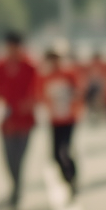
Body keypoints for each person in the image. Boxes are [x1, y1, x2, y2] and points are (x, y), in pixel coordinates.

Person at [0, 31, 39, 208]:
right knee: (8, 158)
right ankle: (15, 185)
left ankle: (17, 188)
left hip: (25, 121)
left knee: (20, 157)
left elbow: (37, 89)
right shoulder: (0, 66)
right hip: (6, 121)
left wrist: (30, 102)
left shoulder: (30, 66)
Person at [41, 45, 83, 193]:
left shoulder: (68, 74)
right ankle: (67, 178)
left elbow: (78, 92)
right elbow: (41, 96)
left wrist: (71, 101)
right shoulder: (45, 77)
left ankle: (73, 178)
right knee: (55, 155)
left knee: (65, 150)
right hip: (55, 120)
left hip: (69, 118)